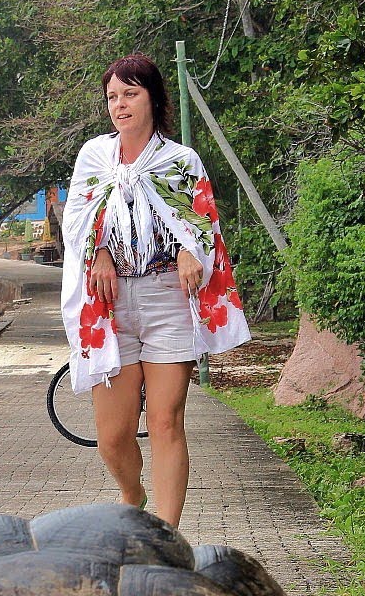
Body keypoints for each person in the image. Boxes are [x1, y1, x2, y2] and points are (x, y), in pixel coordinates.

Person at [60, 54, 251, 528]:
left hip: (167, 297)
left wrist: (190, 251)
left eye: (130, 94)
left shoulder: (180, 162)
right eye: (112, 97)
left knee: (166, 420)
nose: (120, 106)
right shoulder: (93, 157)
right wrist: (98, 253)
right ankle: (133, 491)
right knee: (113, 436)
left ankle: (166, 534)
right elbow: (77, 222)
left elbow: (202, 223)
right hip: (110, 304)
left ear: (152, 97)